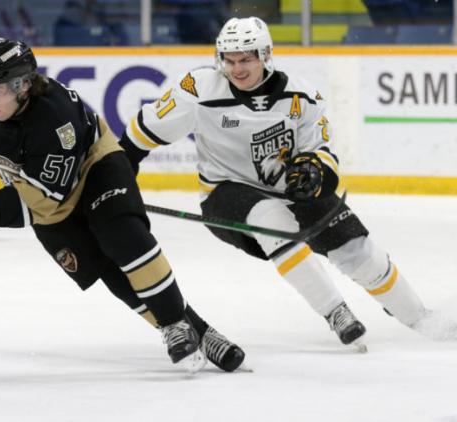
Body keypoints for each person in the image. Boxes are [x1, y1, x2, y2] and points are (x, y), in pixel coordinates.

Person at [119, 16, 454, 348]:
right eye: (230, 60)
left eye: (246, 59)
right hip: (224, 193)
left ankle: (417, 315)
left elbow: (323, 153)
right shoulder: (198, 90)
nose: (237, 68)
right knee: (270, 218)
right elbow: (140, 135)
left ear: (265, 56)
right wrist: (116, 179)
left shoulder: (302, 97)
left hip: (288, 191)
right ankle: (335, 311)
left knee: (356, 249)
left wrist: (313, 172)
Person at [0, 37, 245, 373]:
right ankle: (195, 330)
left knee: (119, 236)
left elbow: (46, 200)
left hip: (93, 170)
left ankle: (174, 324)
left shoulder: (55, 121)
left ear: (23, 85)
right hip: (42, 190)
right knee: (103, 267)